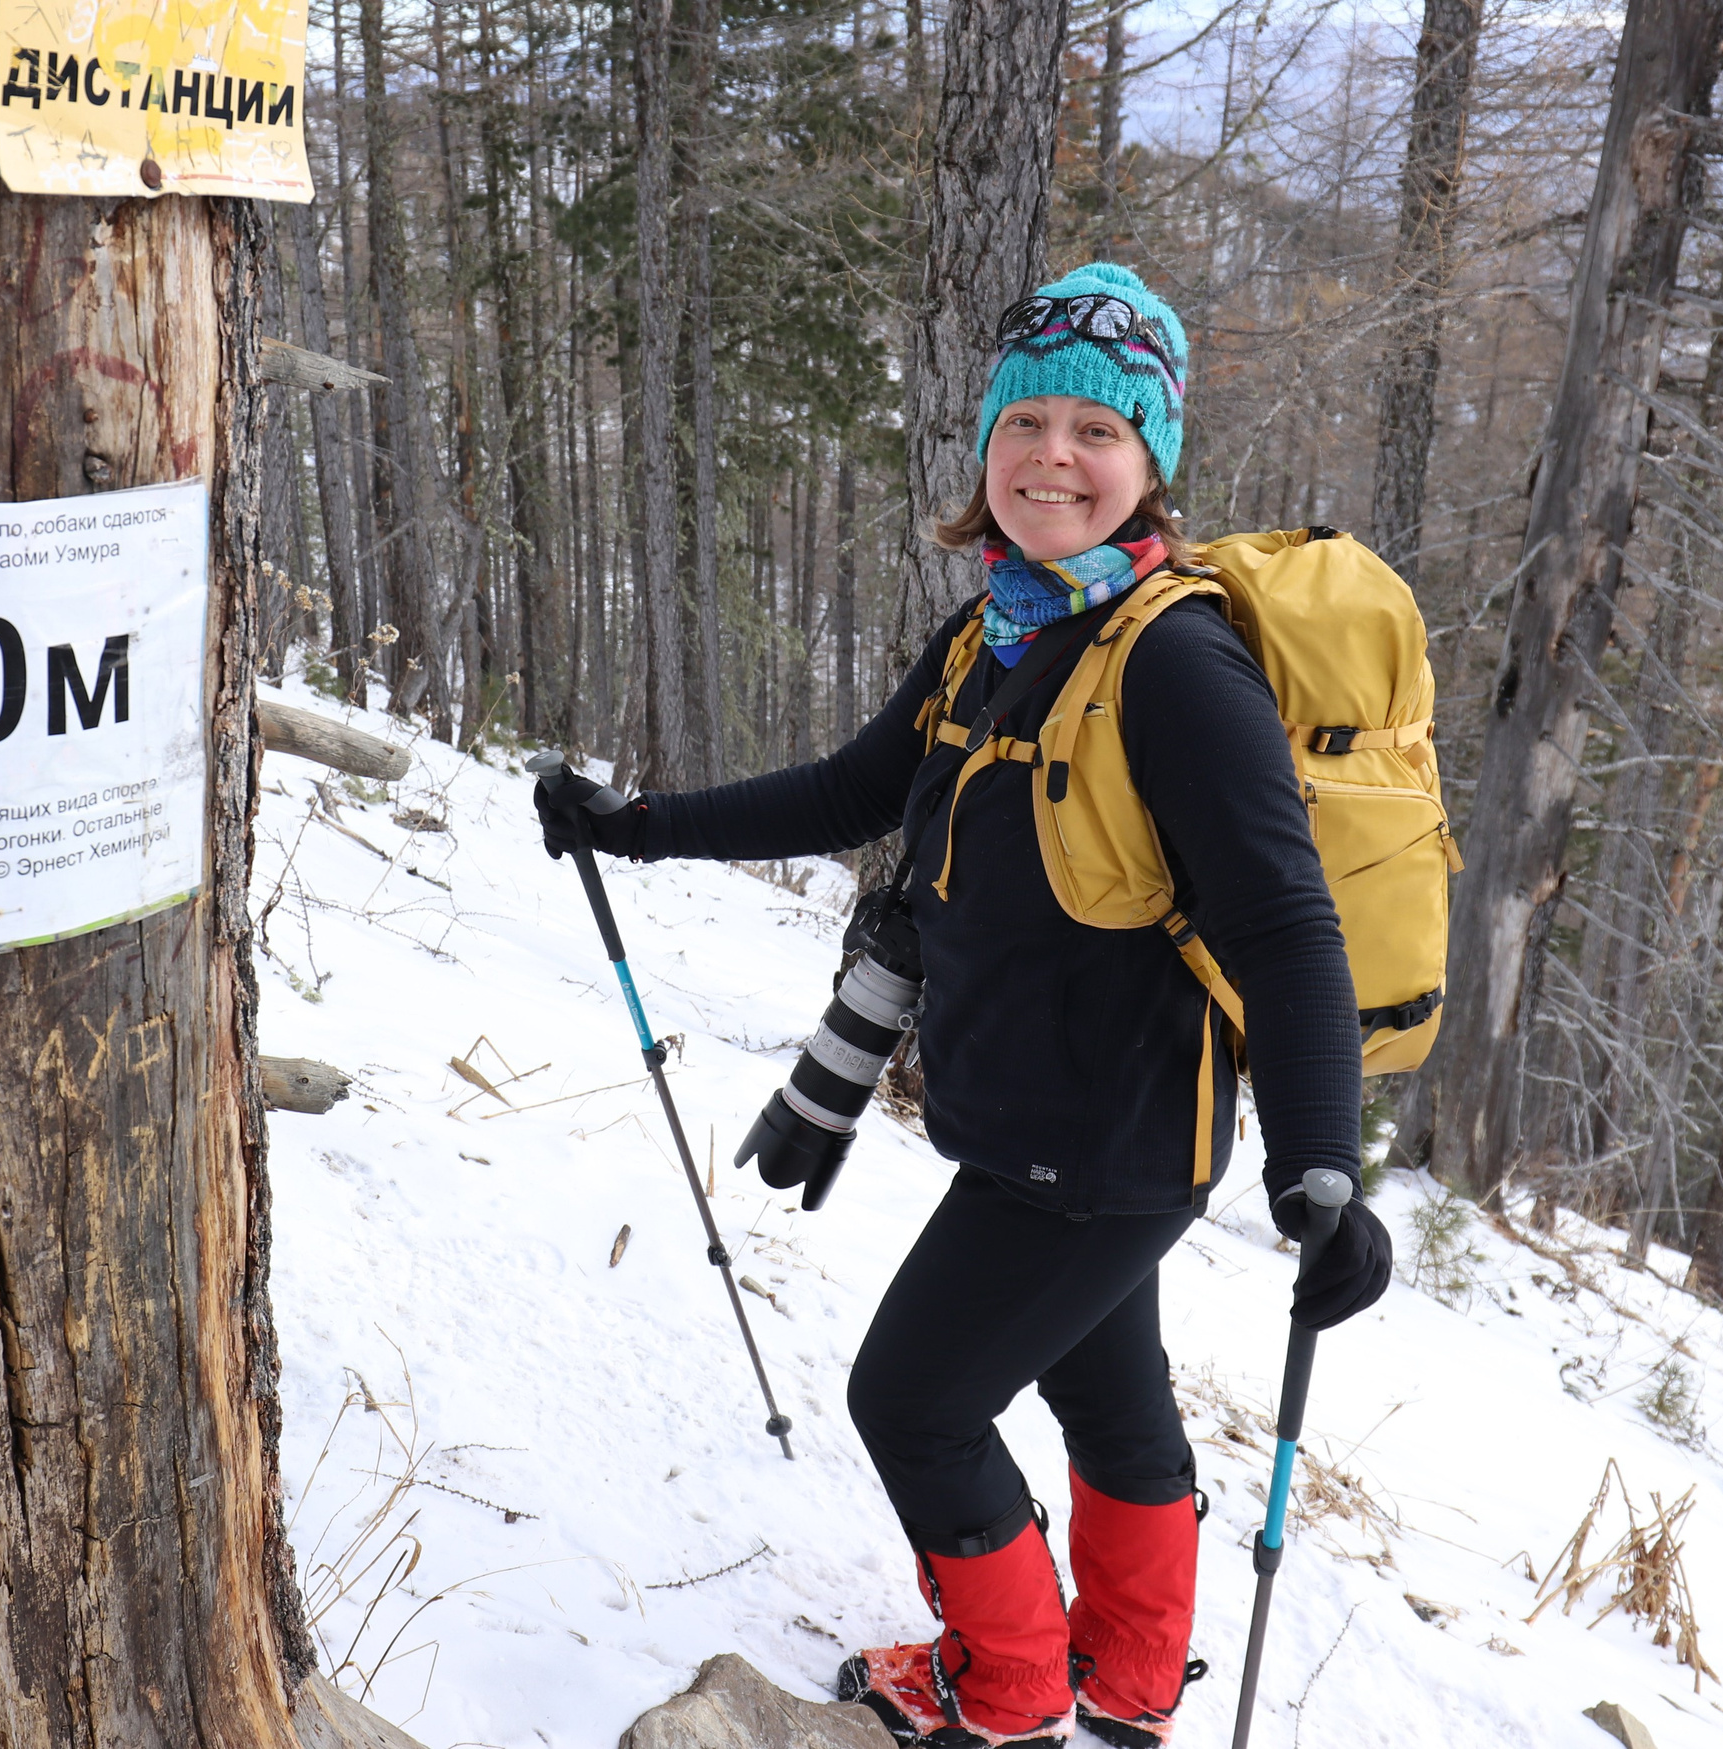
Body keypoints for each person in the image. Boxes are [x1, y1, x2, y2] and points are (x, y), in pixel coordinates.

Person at [533, 263, 1394, 1748]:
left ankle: (1004, 1689)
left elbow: (1288, 922)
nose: (1053, 455)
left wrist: (1324, 1160)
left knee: (912, 1403)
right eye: (1028, 421)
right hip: (1039, 1126)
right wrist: (642, 823)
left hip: (1105, 1145)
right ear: (988, 441)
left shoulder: (1175, 659)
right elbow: (854, 790)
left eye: (1096, 432)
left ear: (1150, 465)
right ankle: (1126, 1682)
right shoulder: (999, 629)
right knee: (1110, 1401)